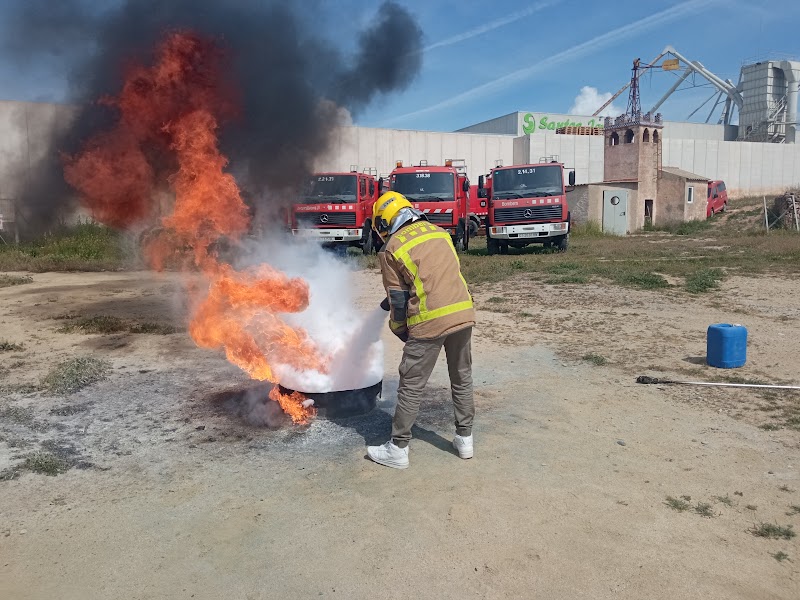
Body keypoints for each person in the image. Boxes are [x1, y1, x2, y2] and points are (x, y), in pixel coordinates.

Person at [367, 191, 476, 469]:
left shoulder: (391, 247)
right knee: (461, 377)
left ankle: (398, 448)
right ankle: (465, 439)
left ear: (384, 222)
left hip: (429, 320)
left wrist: (399, 329)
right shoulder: (440, 232)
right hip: (463, 312)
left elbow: (398, 300)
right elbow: (440, 274)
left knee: (411, 385)